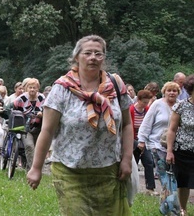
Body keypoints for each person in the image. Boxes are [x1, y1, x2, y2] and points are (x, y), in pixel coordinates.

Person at [27, 35, 133, 215]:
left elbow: (127, 125)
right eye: (88, 53)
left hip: (108, 170)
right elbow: (47, 130)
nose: (93, 57)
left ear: (104, 58)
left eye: (98, 54)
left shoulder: (115, 85)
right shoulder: (62, 88)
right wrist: (36, 168)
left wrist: (126, 160)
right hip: (70, 171)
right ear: (77, 57)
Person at [137, 81, 180, 203]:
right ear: (164, 92)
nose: (172, 93)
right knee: (163, 172)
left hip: (175, 146)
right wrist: (142, 140)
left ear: (178, 93)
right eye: (169, 90)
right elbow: (146, 122)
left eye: (174, 90)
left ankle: (169, 199)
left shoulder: (180, 105)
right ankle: (169, 200)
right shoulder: (157, 104)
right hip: (156, 144)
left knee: (174, 174)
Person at [166, 74, 194, 216]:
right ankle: (183, 210)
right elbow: (172, 130)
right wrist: (169, 151)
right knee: (184, 183)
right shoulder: (181, 106)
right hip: (183, 150)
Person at [13, 78, 45, 171]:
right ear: (26, 88)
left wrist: (42, 114)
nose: (32, 89)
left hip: (39, 128)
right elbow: (13, 109)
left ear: (38, 89)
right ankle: (33, 170)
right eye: (30, 87)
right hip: (26, 128)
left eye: (34, 88)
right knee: (29, 146)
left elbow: (47, 110)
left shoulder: (42, 98)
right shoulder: (21, 99)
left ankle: (30, 166)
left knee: (38, 149)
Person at [130, 90, 158, 196]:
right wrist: (136, 143)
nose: (145, 104)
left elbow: (149, 126)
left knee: (149, 162)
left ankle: (150, 188)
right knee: (134, 163)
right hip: (133, 140)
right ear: (138, 100)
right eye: (144, 102)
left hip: (144, 140)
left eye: (147, 102)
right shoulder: (131, 110)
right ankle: (132, 187)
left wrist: (144, 141)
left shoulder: (147, 110)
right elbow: (129, 128)